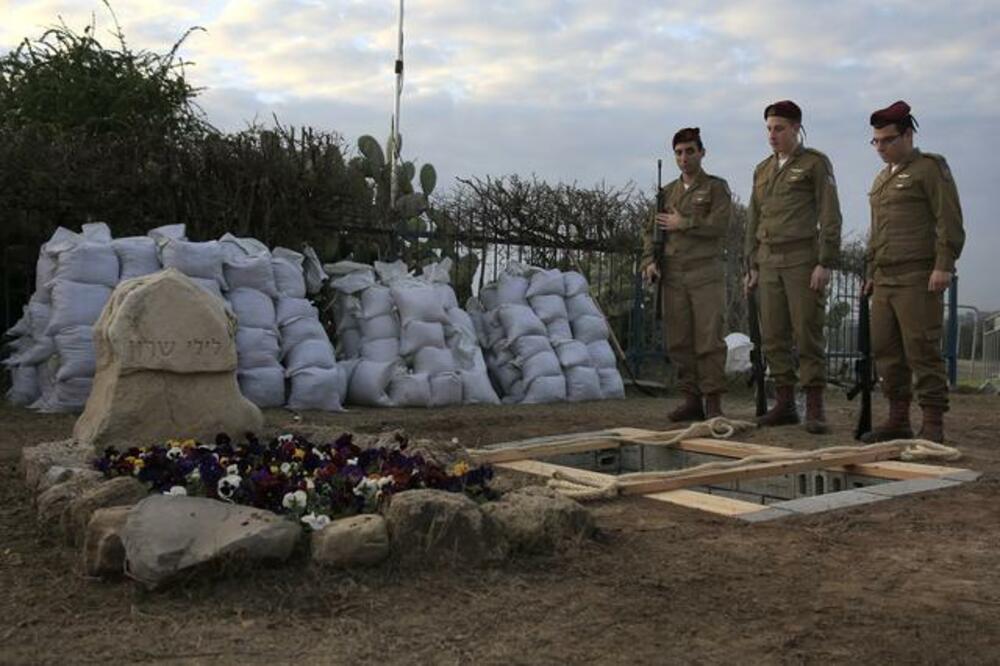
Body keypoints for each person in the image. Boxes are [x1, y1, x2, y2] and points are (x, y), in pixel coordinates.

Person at [860, 100, 964, 444]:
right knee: (886, 350)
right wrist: (873, 270)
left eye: (887, 140)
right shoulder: (881, 178)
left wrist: (943, 265)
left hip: (918, 275)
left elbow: (947, 219)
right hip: (886, 278)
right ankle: (898, 419)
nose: (880, 148)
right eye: (875, 141)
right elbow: (878, 230)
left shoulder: (929, 169)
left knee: (921, 348)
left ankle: (933, 422)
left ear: (907, 134)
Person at [744, 100, 842, 434]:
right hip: (768, 261)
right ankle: (784, 404)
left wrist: (825, 261)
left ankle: (814, 406)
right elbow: (753, 218)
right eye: (769, 128)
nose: (772, 135)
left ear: (797, 128)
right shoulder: (762, 169)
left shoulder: (814, 163)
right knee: (773, 336)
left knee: (808, 332)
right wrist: (752, 263)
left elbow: (830, 214)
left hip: (802, 259)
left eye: (780, 128)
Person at [641, 127, 732, 421]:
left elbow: (720, 225)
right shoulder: (666, 193)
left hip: (705, 273)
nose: (684, 157)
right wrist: (649, 262)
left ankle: (714, 402)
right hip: (674, 275)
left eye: (690, 151)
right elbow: (650, 233)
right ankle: (691, 399)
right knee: (679, 341)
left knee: (709, 340)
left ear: (702, 152)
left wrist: (685, 223)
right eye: (678, 153)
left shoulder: (716, 187)